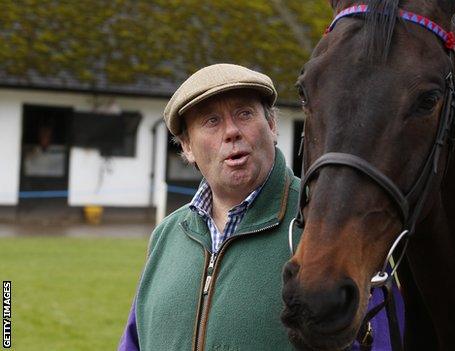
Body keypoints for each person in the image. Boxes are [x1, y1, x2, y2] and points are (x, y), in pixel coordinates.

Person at [118, 63, 402, 351]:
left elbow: (382, 341)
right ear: (187, 146)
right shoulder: (166, 236)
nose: (231, 132)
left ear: (272, 125)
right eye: (211, 121)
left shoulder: (336, 226)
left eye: (244, 114)